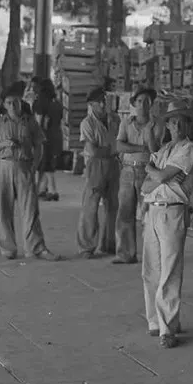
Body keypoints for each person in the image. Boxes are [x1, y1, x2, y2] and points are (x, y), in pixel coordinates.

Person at [140, 104, 193, 348]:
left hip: (172, 210)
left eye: (180, 122)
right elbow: (147, 183)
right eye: (172, 122)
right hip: (153, 209)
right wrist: (153, 170)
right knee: (151, 269)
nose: (176, 126)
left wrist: (156, 172)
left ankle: (167, 328)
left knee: (170, 269)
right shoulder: (165, 149)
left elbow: (163, 177)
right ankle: (156, 322)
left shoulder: (189, 148)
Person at [0, 83, 60, 261]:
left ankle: (35, 248)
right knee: (4, 209)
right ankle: (8, 248)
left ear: (21, 103)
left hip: (24, 166)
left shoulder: (30, 122)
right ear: (4, 105)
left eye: (16, 102)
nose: (13, 106)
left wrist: (34, 165)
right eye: (9, 103)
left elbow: (39, 145)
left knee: (30, 209)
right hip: (4, 167)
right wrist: (4, 144)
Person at [116, 86, 162, 265]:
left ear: (152, 105)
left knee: (148, 214)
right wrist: (140, 148)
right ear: (134, 103)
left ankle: (151, 256)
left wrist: (149, 132)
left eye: (147, 102)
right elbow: (119, 146)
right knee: (124, 212)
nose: (143, 105)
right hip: (127, 170)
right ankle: (125, 253)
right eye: (140, 101)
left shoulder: (157, 124)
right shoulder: (126, 123)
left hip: (147, 171)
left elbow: (154, 149)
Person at [77, 87, 120, 258]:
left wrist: (110, 150)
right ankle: (86, 247)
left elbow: (119, 143)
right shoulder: (87, 123)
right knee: (90, 206)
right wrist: (112, 149)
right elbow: (92, 151)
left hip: (113, 165)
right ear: (91, 105)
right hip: (95, 166)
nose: (103, 104)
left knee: (113, 206)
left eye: (104, 100)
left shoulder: (114, 119)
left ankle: (109, 243)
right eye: (99, 102)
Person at [32, 78, 64, 201]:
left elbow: (38, 121)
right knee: (48, 162)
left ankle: (52, 191)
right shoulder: (57, 102)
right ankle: (41, 189)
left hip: (45, 136)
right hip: (57, 134)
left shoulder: (41, 102)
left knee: (46, 165)